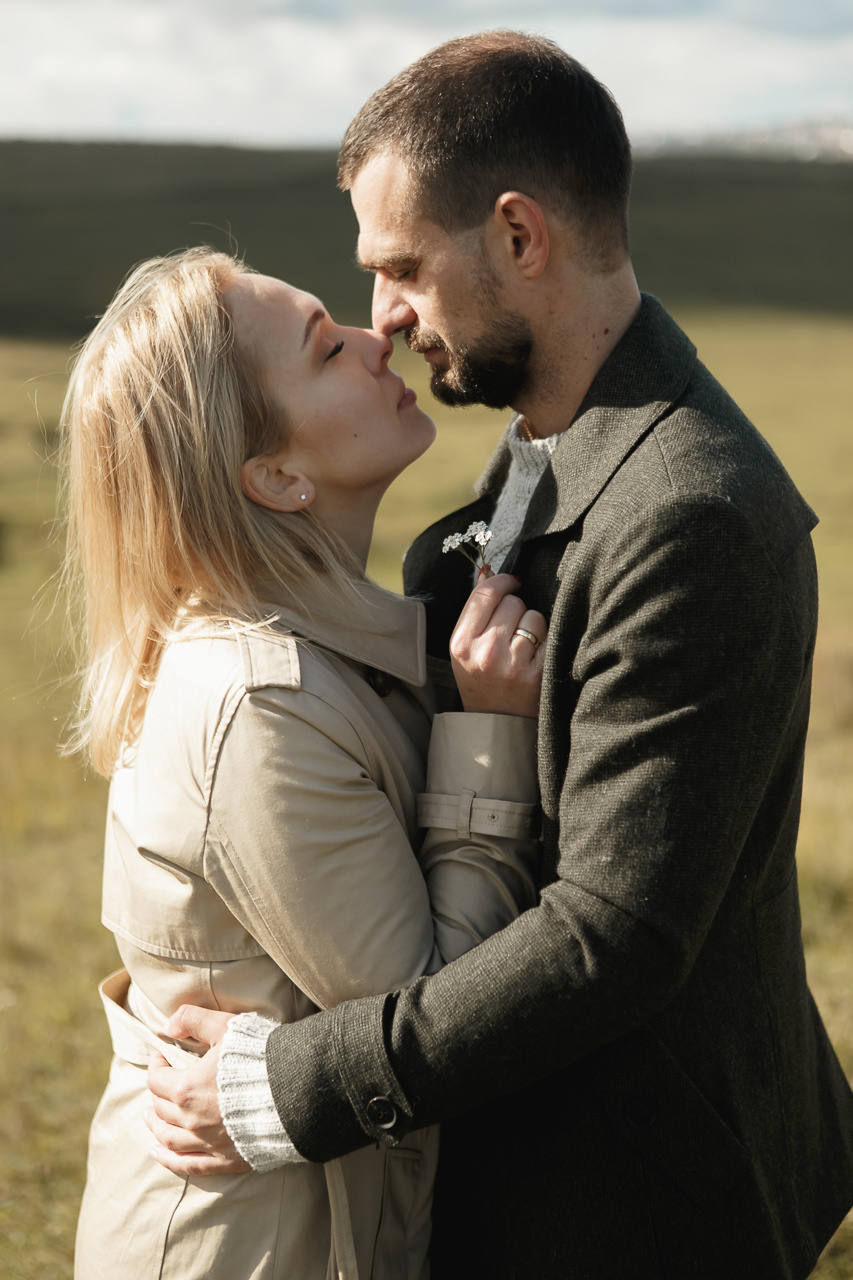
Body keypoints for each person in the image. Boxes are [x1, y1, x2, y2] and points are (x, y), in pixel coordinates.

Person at [146, 32, 853, 1279]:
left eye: (403, 266)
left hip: (642, 1200)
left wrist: (282, 1089)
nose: (383, 318)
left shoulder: (693, 515)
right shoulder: (534, 454)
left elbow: (610, 935)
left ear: (521, 237)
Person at [66, 246, 550, 1279]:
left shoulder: (322, 646)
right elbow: (437, 1014)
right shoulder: (257, 706)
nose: (383, 341)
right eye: (329, 347)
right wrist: (490, 733)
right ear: (275, 474)